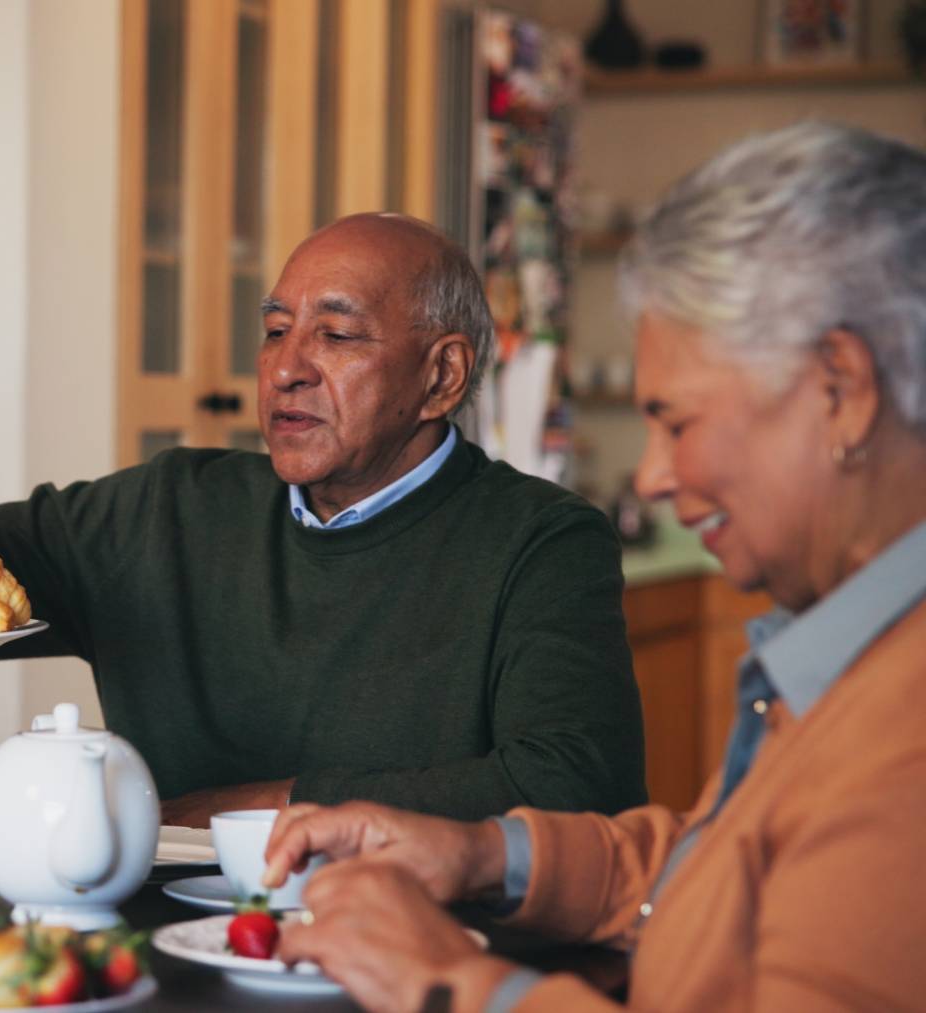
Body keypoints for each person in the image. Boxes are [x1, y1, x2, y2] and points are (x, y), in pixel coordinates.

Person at [258, 122, 926, 1012]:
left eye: (676, 422)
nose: (650, 474)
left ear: (841, 390)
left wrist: (448, 981)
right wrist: (486, 855)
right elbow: (723, 869)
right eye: (273, 329)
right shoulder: (855, 653)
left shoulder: (905, 731)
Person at [0, 213, 646, 826]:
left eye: (336, 336)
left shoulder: (542, 539)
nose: (285, 369)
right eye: (275, 330)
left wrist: (249, 810)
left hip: (409, 954)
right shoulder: (171, 509)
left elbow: (577, 780)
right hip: (161, 960)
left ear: (442, 376)